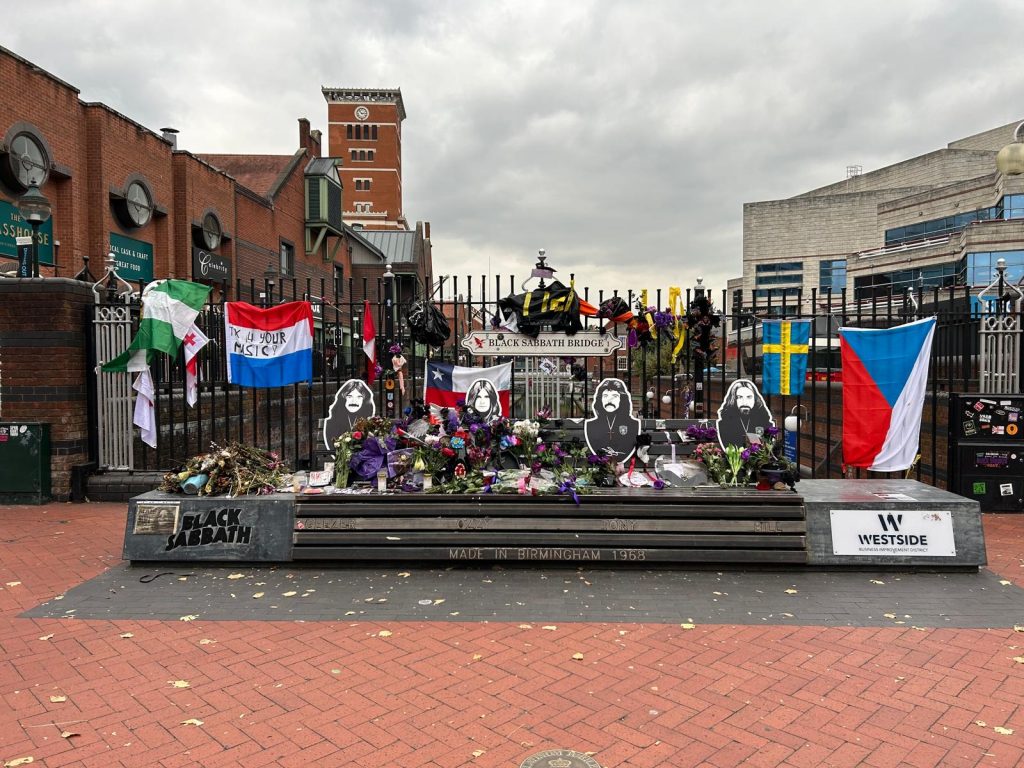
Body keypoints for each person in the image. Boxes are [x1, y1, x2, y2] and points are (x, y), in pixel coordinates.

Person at [584, 378, 641, 461]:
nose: (609, 400)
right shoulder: (590, 426)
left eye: (615, 396)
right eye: (605, 396)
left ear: (622, 400)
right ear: (600, 400)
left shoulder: (634, 424)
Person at [716, 378, 774, 449]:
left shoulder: (764, 420)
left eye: (749, 397)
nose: (744, 402)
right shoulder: (724, 423)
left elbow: (766, 446)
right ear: (734, 400)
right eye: (739, 397)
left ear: (755, 399)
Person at [323, 378, 376, 453]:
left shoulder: (369, 422)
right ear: (343, 399)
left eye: (359, 397)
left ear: (364, 400)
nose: (354, 401)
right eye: (349, 397)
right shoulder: (332, 423)